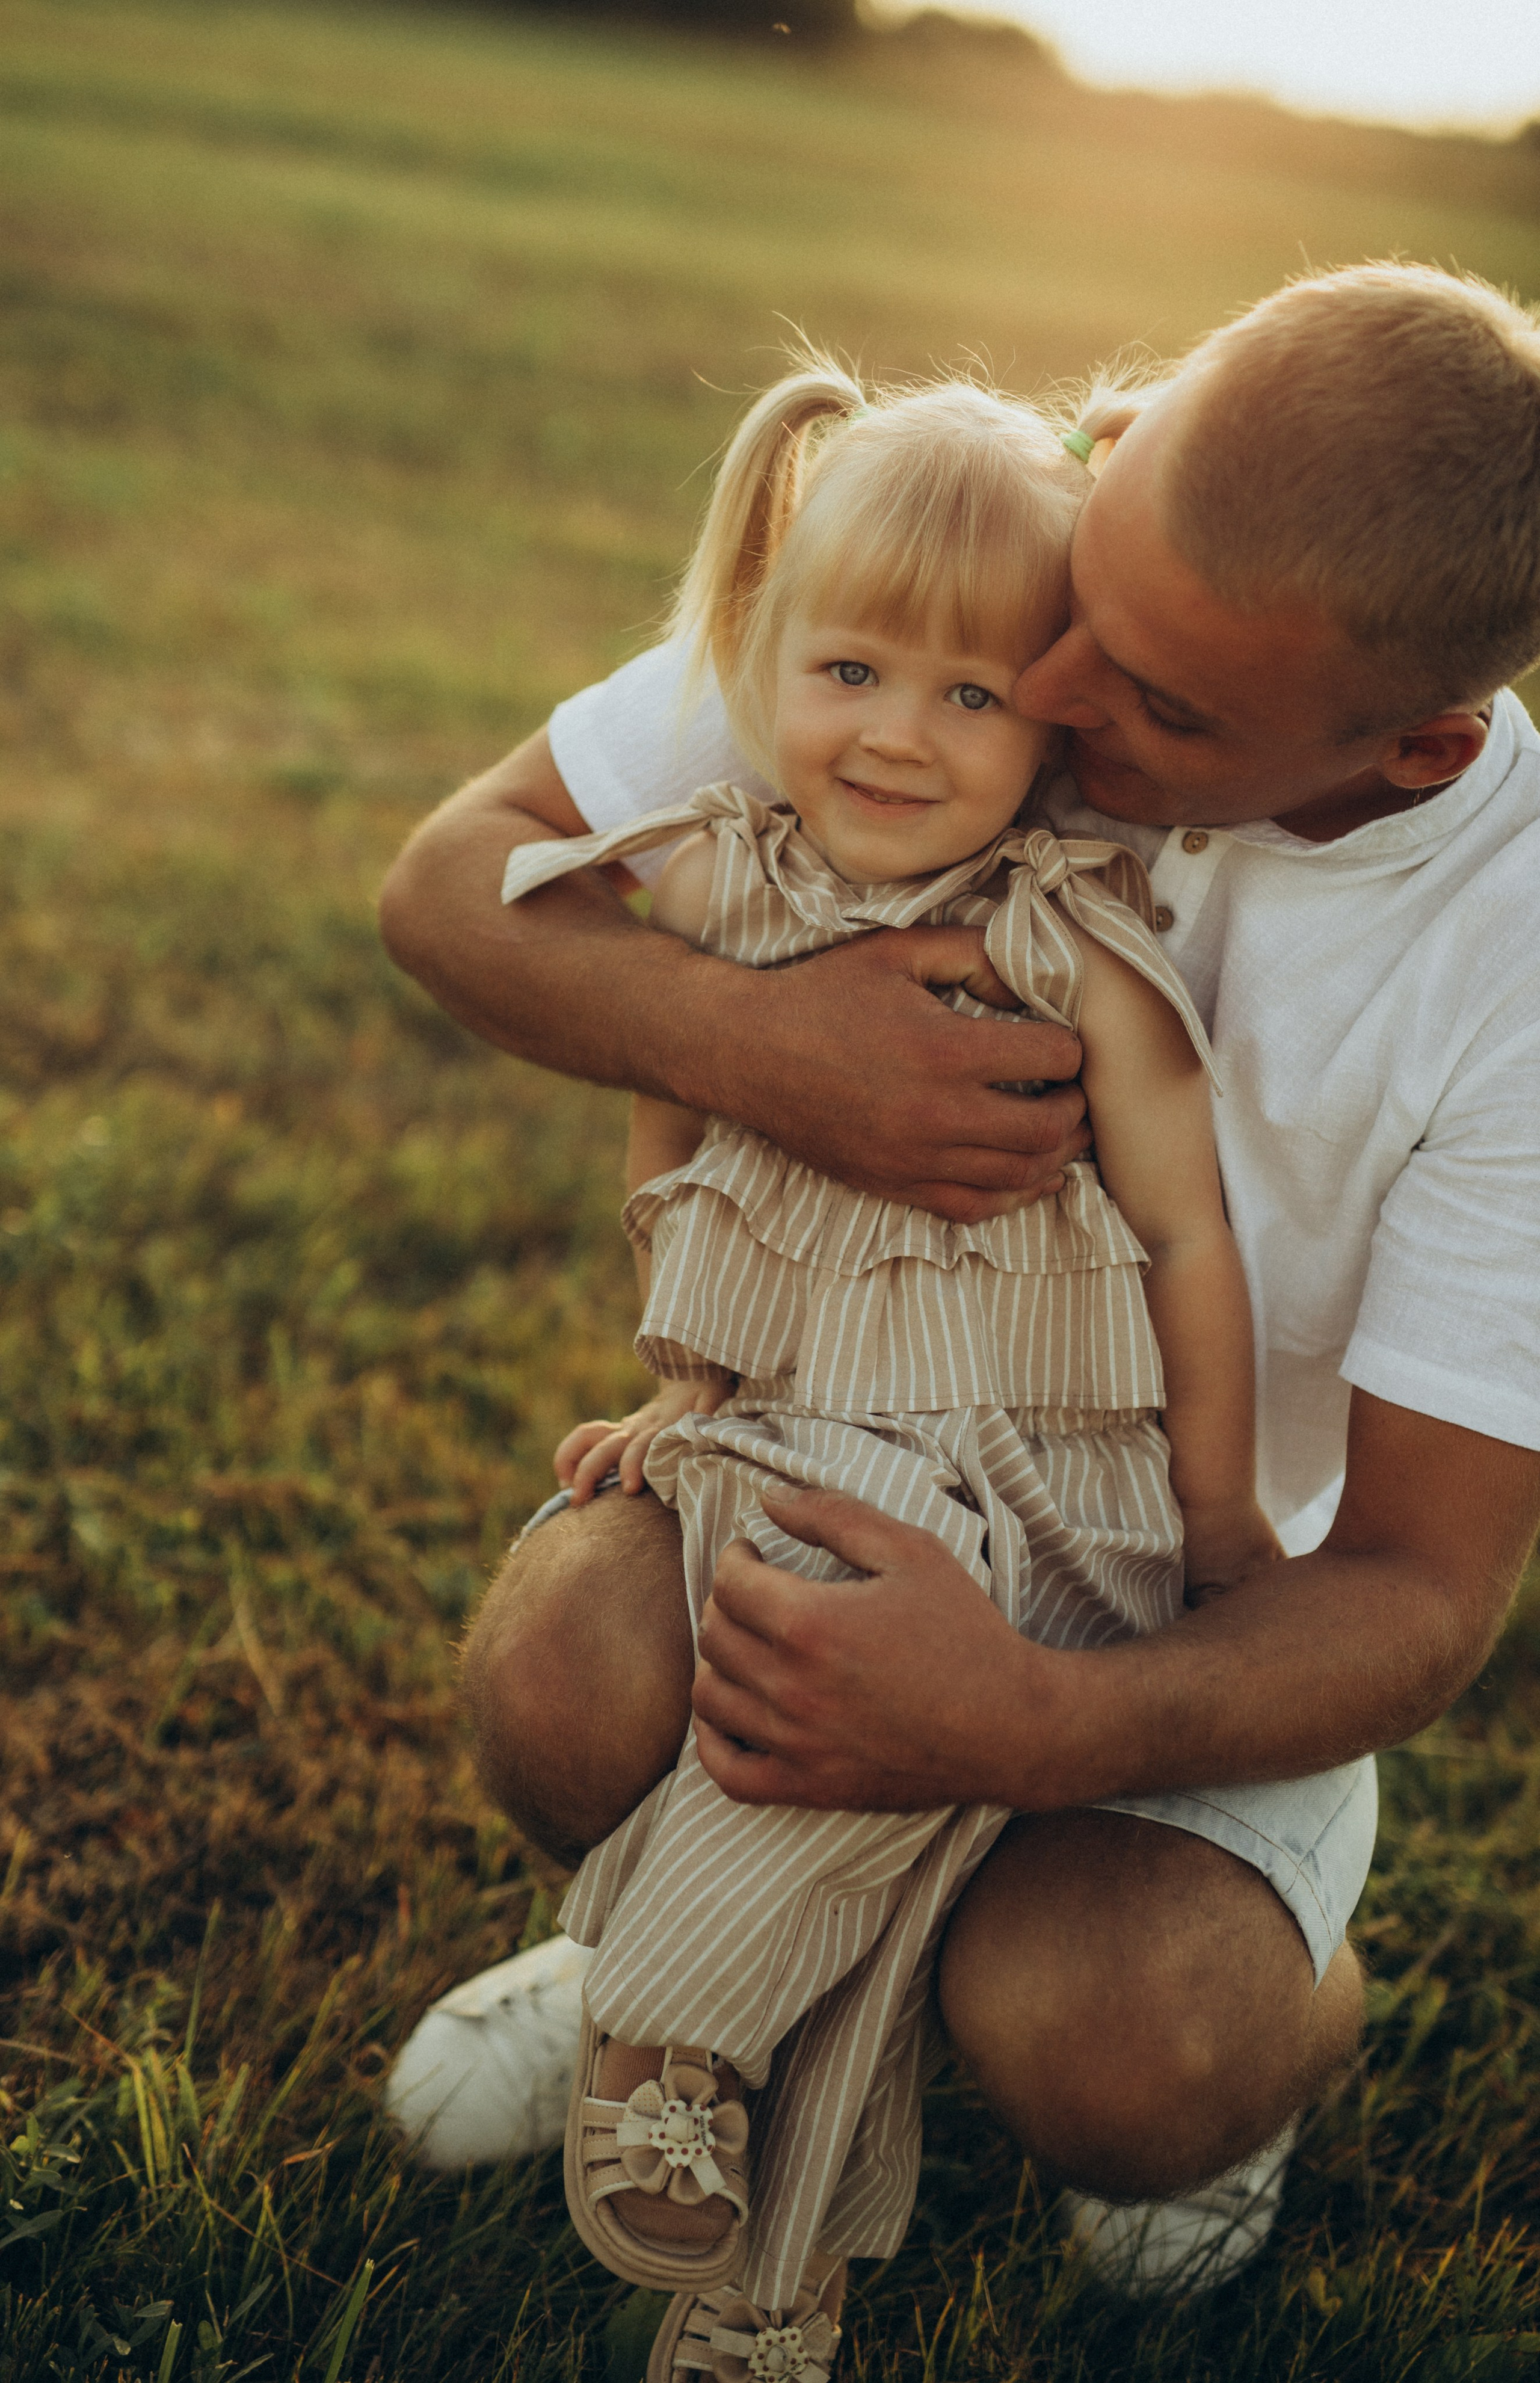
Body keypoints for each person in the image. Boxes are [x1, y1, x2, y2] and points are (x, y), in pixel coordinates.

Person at [380, 264, 1540, 2351]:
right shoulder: (992, 556)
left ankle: (1258, 2007)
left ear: (1413, 740)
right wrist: (764, 1047)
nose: (1057, 685)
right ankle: (674, 1957)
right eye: (1088, 582)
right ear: (1136, 427)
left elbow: (1420, 1589)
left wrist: (1036, 1720)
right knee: (567, 1666)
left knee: (1123, 2051)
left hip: (1179, 1597)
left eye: (1166, 706)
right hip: (844, 1436)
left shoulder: (1512, 968)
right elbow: (452, 879)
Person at [496, 361, 1275, 2332]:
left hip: (1015, 1466)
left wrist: (1215, 1509)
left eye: (972, 696)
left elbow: (1185, 1234)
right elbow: (660, 1099)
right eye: (848, 671)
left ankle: (660, 2019)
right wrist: (682, 1382)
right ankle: (771, 2295)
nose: (898, 738)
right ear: (766, 652)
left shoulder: (1080, 951)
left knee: (846, 1646)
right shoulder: (718, 878)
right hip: (789, 1433)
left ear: (1058, 725)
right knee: (878, 1826)